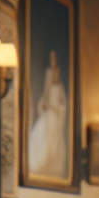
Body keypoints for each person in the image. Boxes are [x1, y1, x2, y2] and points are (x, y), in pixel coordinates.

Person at [28, 49, 68, 178]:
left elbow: (64, 103)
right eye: (51, 58)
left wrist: (58, 109)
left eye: (54, 58)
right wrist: (46, 106)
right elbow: (44, 96)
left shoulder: (60, 83)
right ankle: (42, 163)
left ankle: (52, 163)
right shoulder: (49, 74)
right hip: (49, 114)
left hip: (56, 114)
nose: (53, 60)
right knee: (44, 134)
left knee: (55, 139)